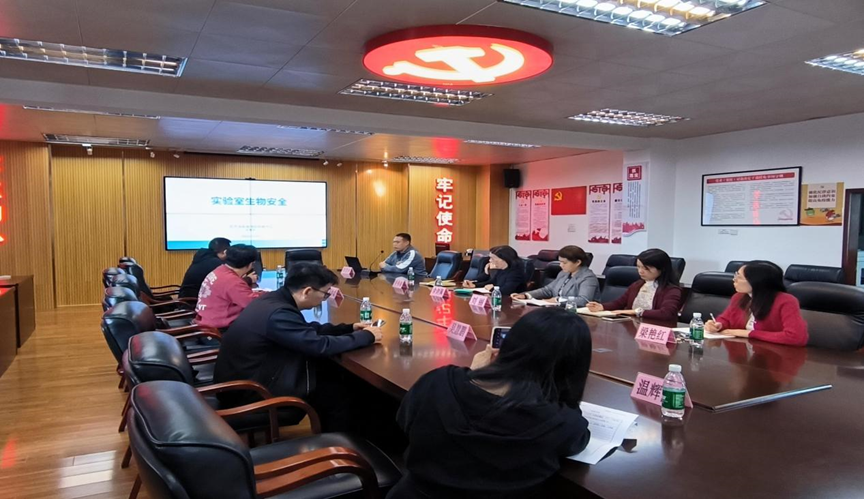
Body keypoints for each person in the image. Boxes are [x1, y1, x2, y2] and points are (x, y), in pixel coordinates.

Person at [388, 308, 592, 499]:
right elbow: (576, 441)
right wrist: (564, 393)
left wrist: (474, 374)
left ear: (508, 345)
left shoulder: (438, 381)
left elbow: (404, 422)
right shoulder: (564, 424)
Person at [213, 262, 383, 431]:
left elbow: (303, 330)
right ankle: (337, 443)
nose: (324, 299)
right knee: (338, 393)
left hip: (249, 380)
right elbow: (320, 346)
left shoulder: (273, 300)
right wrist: (367, 336)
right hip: (250, 393)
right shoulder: (278, 313)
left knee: (332, 375)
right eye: (325, 294)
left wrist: (348, 328)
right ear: (307, 291)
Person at [705, 261, 808, 346]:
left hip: (776, 355)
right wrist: (718, 325)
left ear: (756, 281)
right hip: (744, 351)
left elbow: (796, 337)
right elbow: (726, 319)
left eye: (739, 277)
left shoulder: (786, 301)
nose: (734, 280)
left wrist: (748, 333)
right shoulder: (739, 297)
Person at [586, 248, 682, 322]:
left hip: (656, 328)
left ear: (661, 269)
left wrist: (636, 312)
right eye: (638, 267)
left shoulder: (671, 290)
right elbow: (619, 303)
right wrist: (602, 307)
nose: (640, 271)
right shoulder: (637, 285)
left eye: (646, 268)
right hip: (633, 325)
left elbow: (666, 313)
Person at [195, 244, 264, 330]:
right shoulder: (232, 281)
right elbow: (252, 303)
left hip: (206, 320)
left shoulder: (220, 270)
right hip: (218, 329)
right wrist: (271, 294)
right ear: (250, 264)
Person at [512, 245, 599, 306]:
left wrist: (557, 300)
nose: (561, 265)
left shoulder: (588, 277)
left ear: (578, 262)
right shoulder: (564, 273)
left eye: (564, 262)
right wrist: (526, 295)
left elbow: (583, 300)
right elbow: (548, 290)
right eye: (560, 262)